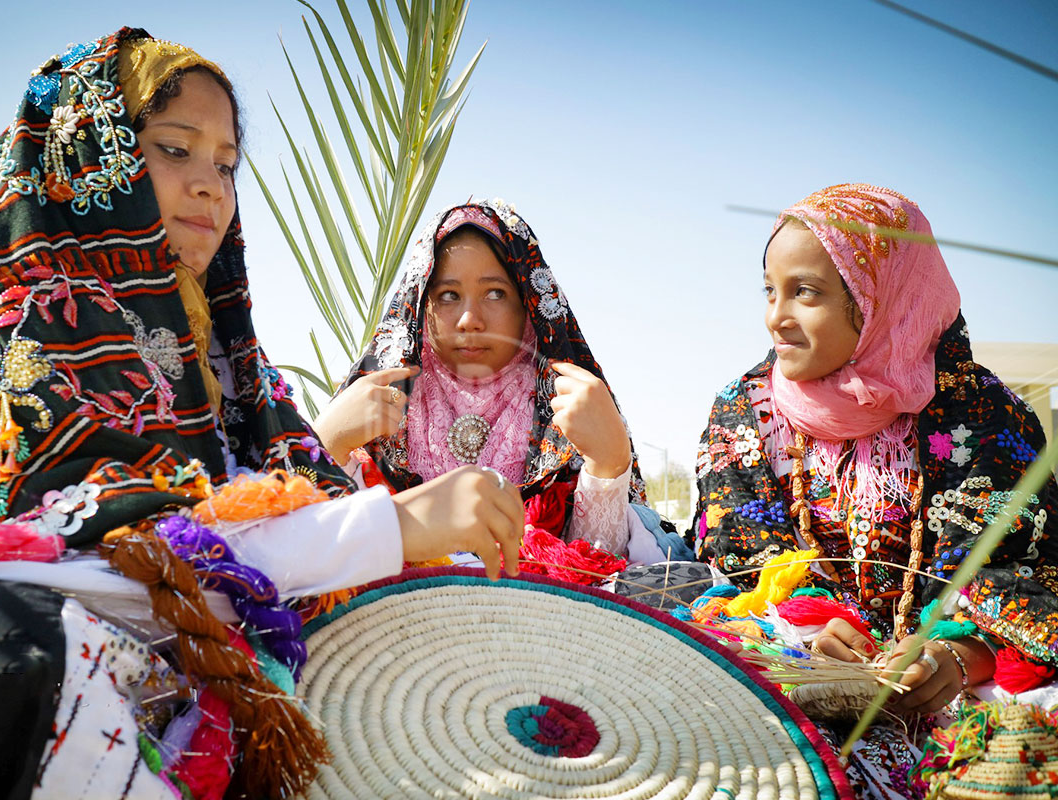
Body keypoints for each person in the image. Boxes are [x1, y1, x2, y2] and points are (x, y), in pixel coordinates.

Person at [0, 29, 521, 800]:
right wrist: (384, 528)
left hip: (193, 707)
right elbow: (73, 565)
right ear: (88, 162)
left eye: (228, 164)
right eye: (175, 149)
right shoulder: (16, 339)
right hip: (13, 691)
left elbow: (263, 545)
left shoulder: (229, 374)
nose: (211, 185)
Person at [692, 183, 1057, 797]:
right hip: (793, 680)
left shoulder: (985, 417)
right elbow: (737, 568)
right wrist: (806, 628)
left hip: (962, 697)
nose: (776, 316)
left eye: (805, 292)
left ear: (880, 297)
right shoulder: (745, 414)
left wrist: (962, 651)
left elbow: (1031, 570)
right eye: (769, 290)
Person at [313, 201, 684, 565]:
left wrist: (609, 464)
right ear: (422, 304)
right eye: (448, 296)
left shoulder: (573, 410)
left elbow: (597, 572)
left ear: (528, 303)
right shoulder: (377, 407)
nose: (469, 319)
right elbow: (318, 556)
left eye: (494, 293)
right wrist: (326, 444)